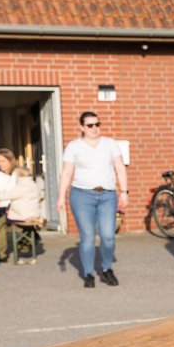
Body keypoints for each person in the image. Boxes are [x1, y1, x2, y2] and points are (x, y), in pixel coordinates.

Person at [56, 111, 129, 288]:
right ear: (82, 127)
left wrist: (124, 191)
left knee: (108, 235)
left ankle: (106, 268)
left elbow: (120, 168)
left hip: (107, 195)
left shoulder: (110, 144)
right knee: (87, 236)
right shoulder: (74, 146)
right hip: (82, 195)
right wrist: (61, 197)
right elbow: (66, 173)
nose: (94, 128)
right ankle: (89, 273)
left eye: (97, 124)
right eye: (90, 125)